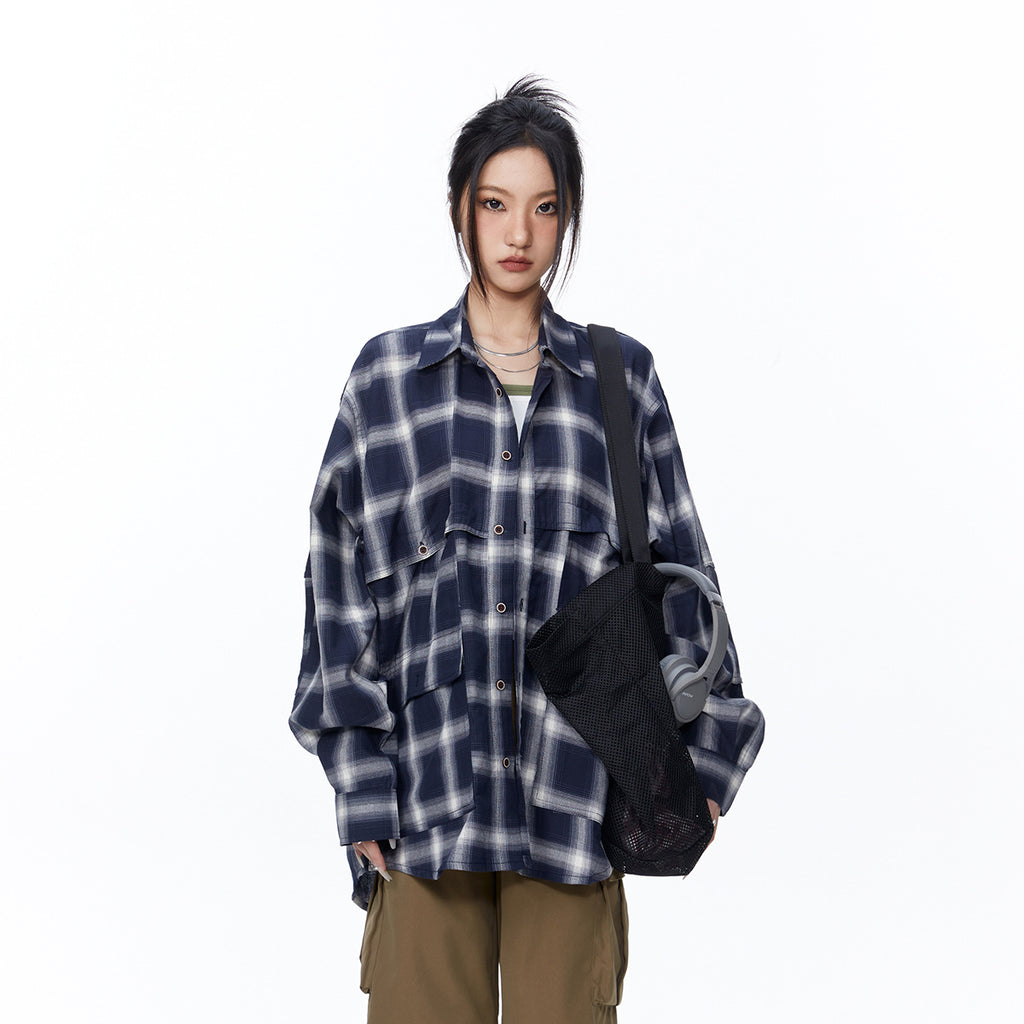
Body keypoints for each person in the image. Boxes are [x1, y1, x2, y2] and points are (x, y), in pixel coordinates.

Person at [290, 77, 762, 1024]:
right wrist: (361, 786)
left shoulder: (619, 382)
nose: (518, 234)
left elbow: (687, 584)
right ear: (460, 210)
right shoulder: (386, 382)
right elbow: (337, 600)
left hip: (575, 808)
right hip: (424, 813)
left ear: (568, 216)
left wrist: (709, 765)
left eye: (544, 208)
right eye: (496, 205)